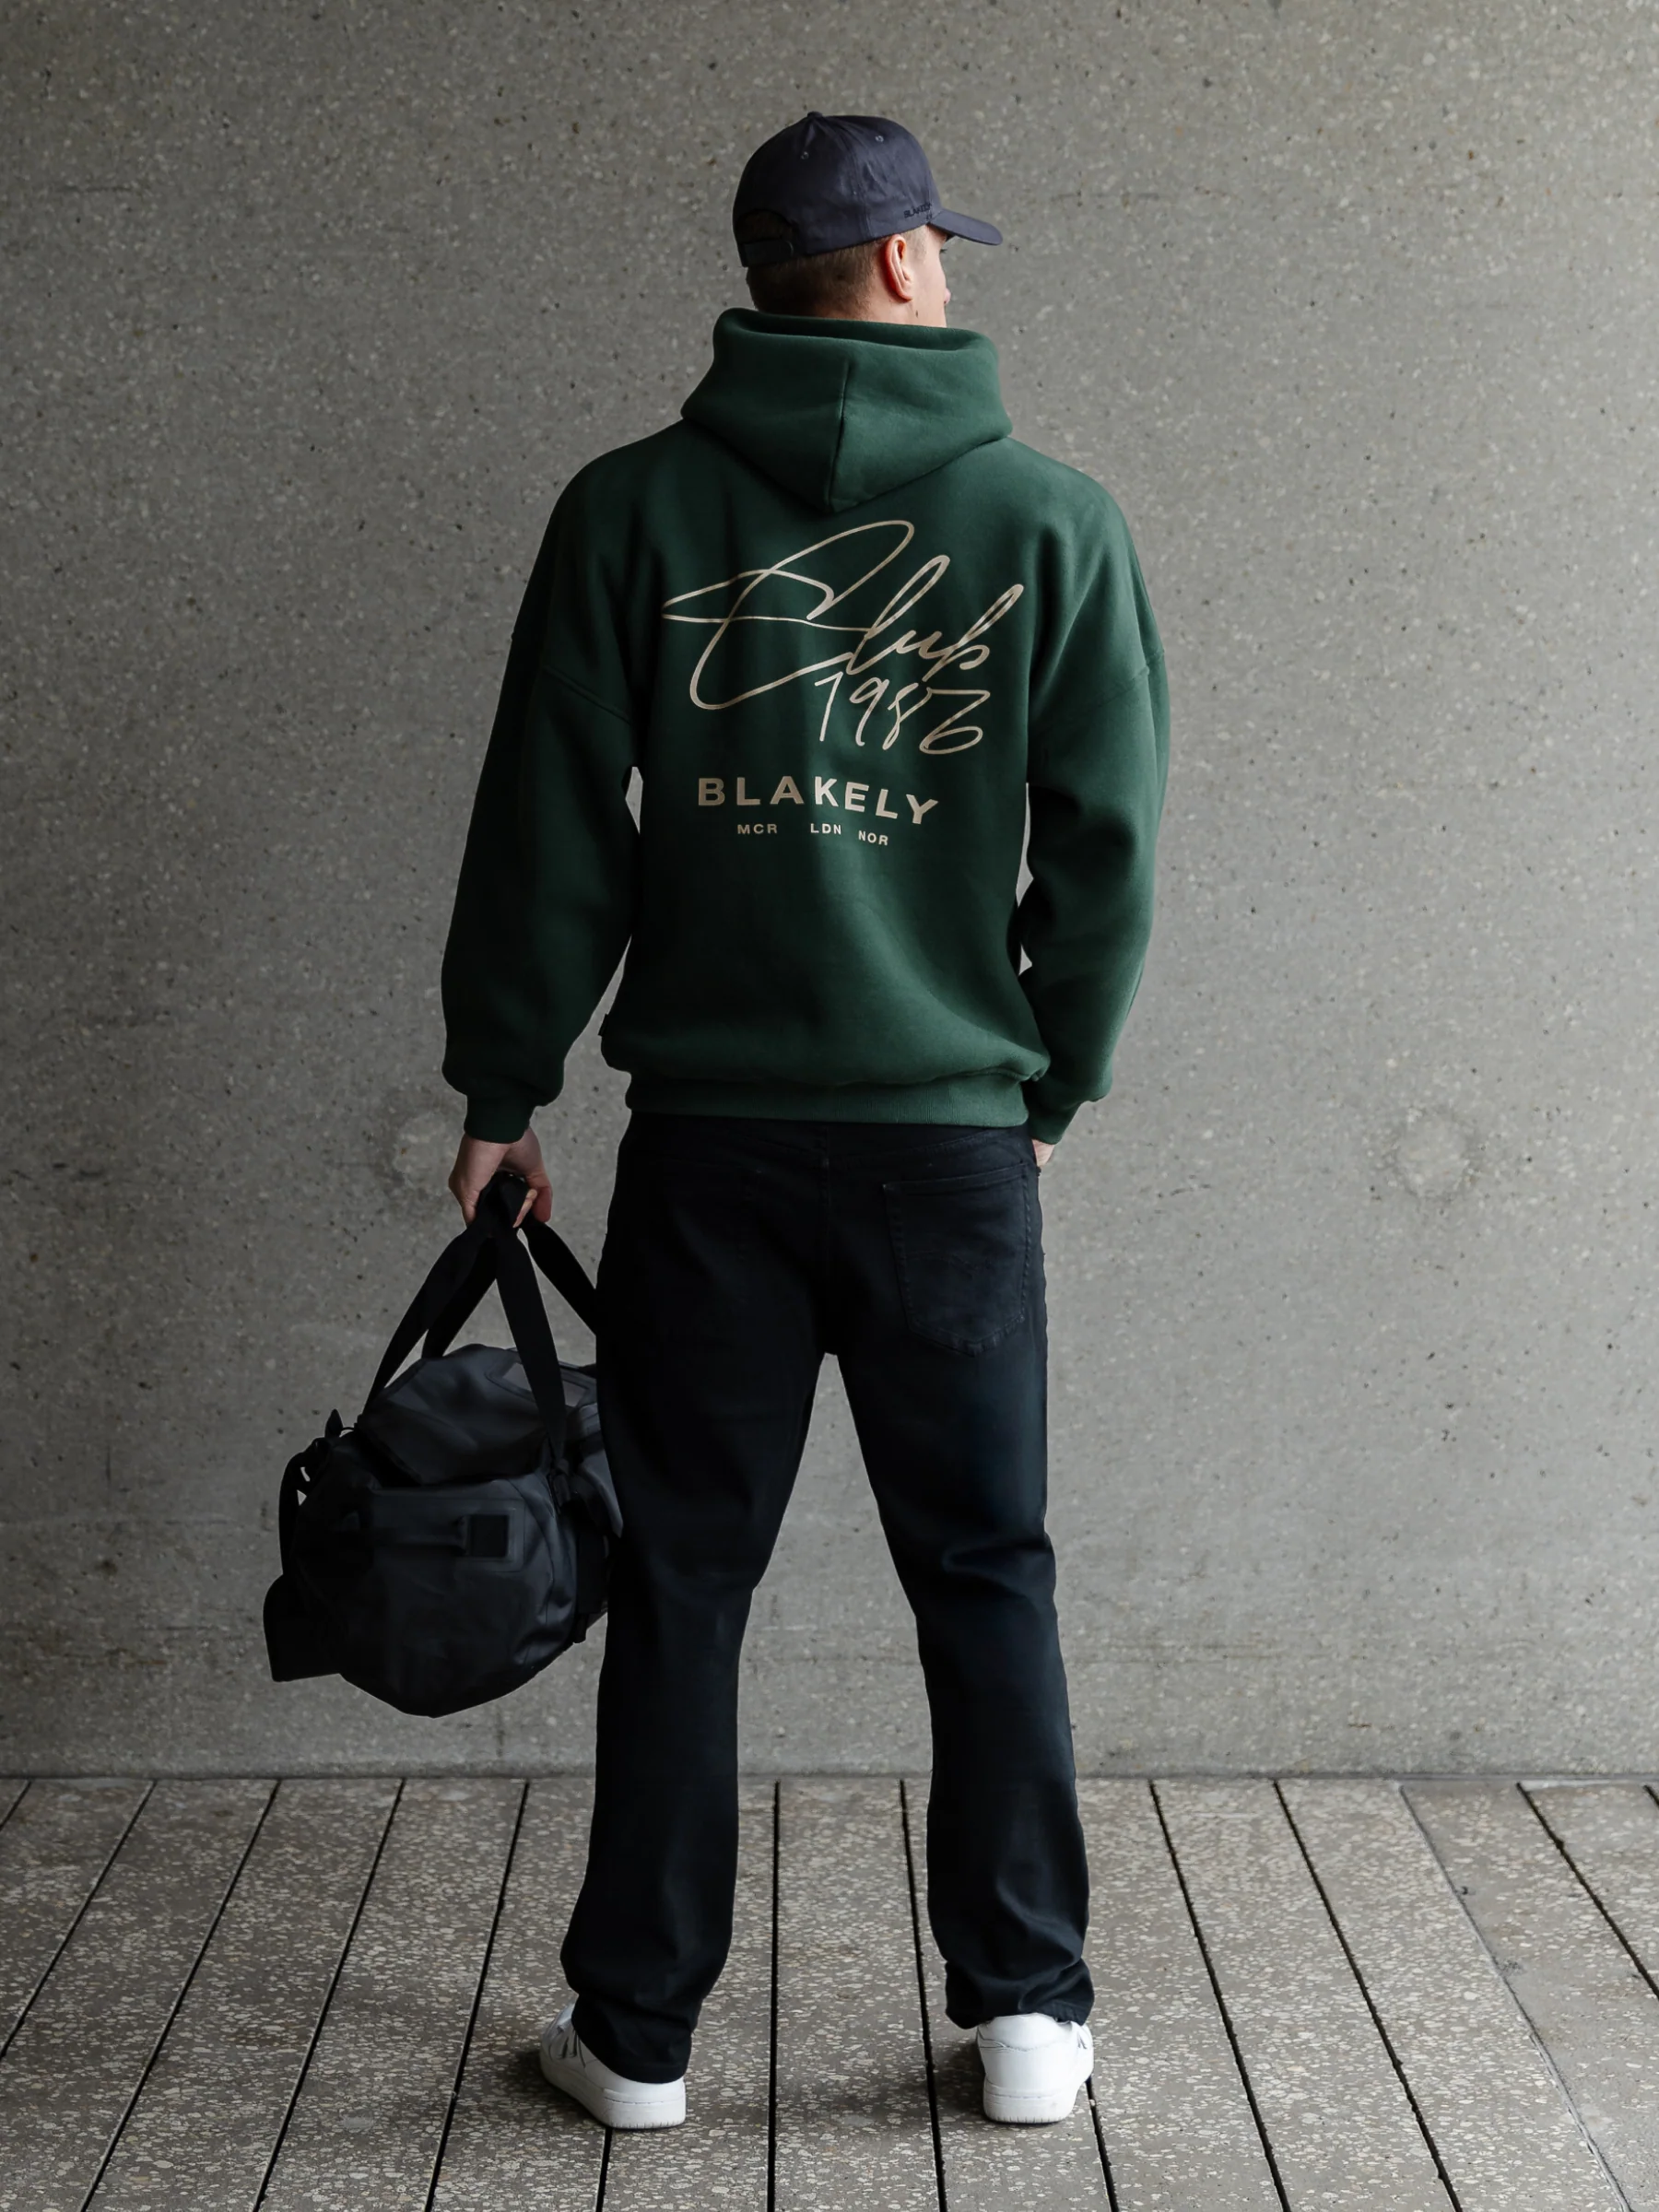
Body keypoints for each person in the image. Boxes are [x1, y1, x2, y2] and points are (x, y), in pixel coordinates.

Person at [441, 110, 1169, 2132]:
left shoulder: (628, 511)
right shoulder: (1054, 520)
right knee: (986, 1571)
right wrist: (1050, 1076)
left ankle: (637, 2039)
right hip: (951, 1147)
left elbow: (548, 825)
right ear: (913, 260)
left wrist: (506, 1083)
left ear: (766, 279)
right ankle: (1028, 2019)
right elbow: (1106, 853)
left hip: (714, 1147)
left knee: (685, 1578)